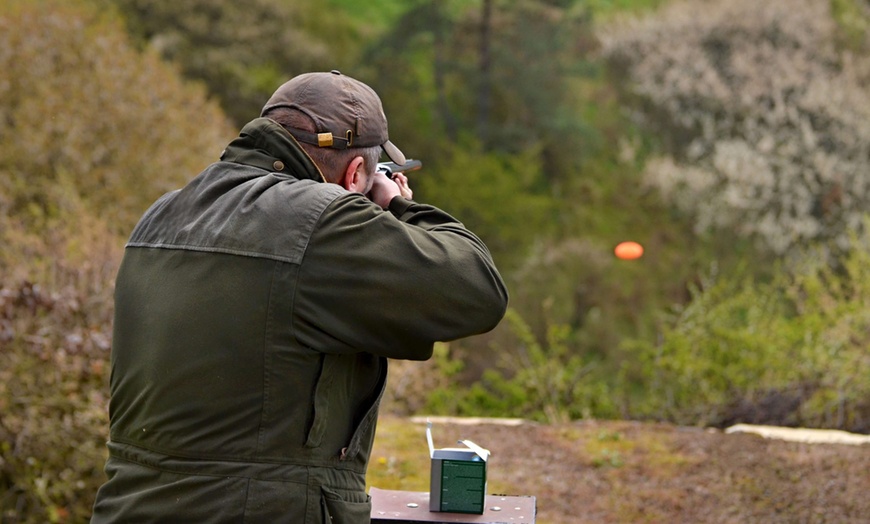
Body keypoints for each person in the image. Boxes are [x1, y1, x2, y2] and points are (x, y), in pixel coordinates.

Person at [90, 70, 508, 523]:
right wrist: (395, 205)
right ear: (354, 175)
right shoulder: (321, 224)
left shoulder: (160, 214)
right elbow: (477, 288)